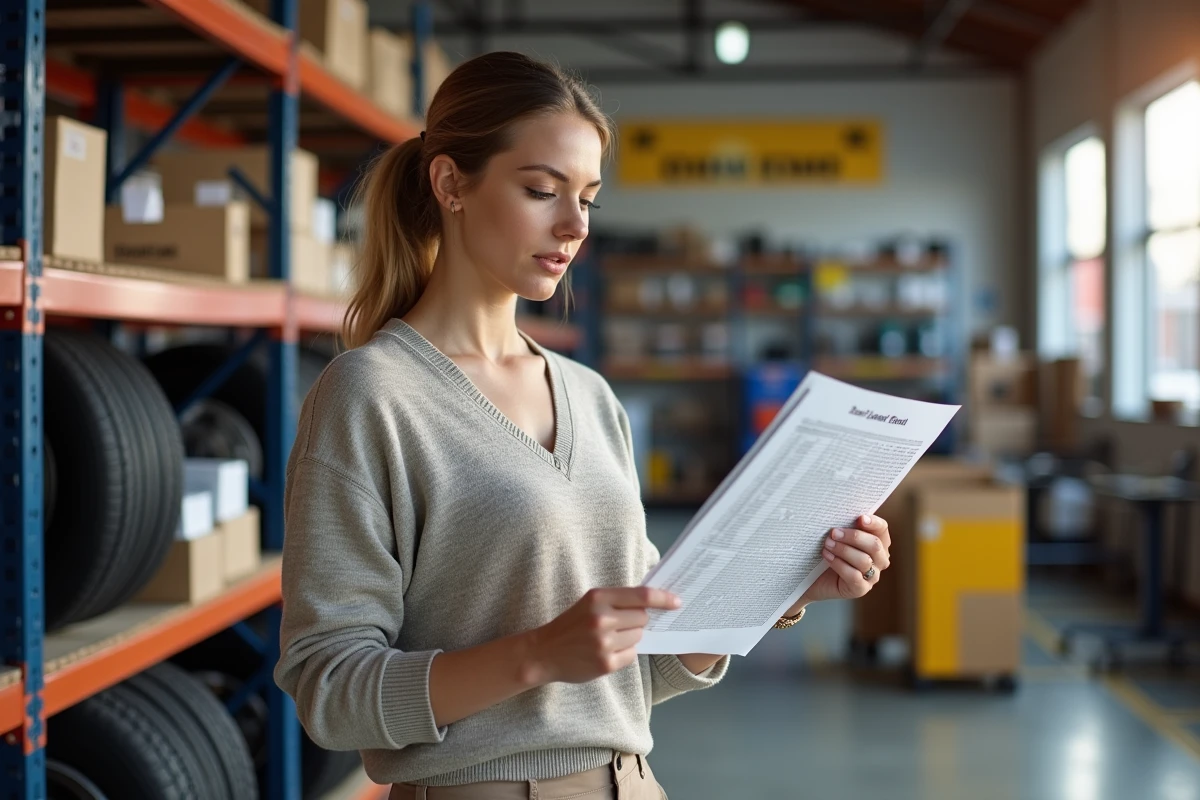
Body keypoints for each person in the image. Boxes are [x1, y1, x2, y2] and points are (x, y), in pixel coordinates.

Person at [273, 51, 892, 800]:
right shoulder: (372, 394)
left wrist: (786, 586)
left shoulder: (592, 397)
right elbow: (329, 689)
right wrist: (537, 655)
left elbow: (642, 667)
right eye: (541, 190)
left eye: (589, 199)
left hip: (630, 784)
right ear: (449, 184)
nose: (573, 226)